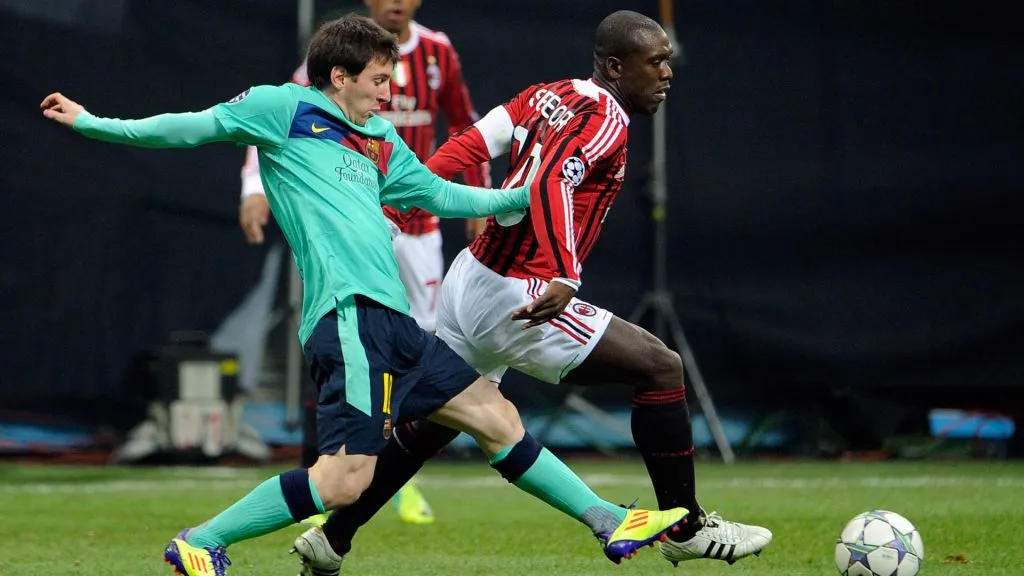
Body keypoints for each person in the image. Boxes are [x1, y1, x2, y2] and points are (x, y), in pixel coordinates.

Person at [41, 14, 689, 576]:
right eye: (381, 80)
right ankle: (203, 540)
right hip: (345, 317)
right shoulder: (282, 108)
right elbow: (187, 127)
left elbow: (439, 195)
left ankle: (610, 522)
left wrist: (526, 198)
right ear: (341, 76)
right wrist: (94, 123)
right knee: (345, 477)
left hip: (394, 321)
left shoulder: (379, 139)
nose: (392, 93)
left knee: (494, 417)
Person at [288, 10, 773, 575]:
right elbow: (552, 182)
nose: (667, 73)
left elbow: (469, 143)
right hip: (519, 292)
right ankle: (686, 526)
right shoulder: (607, 120)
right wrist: (566, 274)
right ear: (616, 66)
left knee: (437, 419)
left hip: (469, 277)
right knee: (660, 367)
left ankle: (333, 538)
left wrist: (398, 204)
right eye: (656, 61)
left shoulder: (551, 93)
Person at [240, 1, 489, 525]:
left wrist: (485, 192)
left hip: (416, 227)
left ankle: (390, 479)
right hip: (347, 222)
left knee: (416, 350)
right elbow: (267, 119)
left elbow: (465, 124)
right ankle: (332, 472)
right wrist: (253, 187)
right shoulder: (338, 55)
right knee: (349, 349)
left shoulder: (438, 52)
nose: (395, 1)